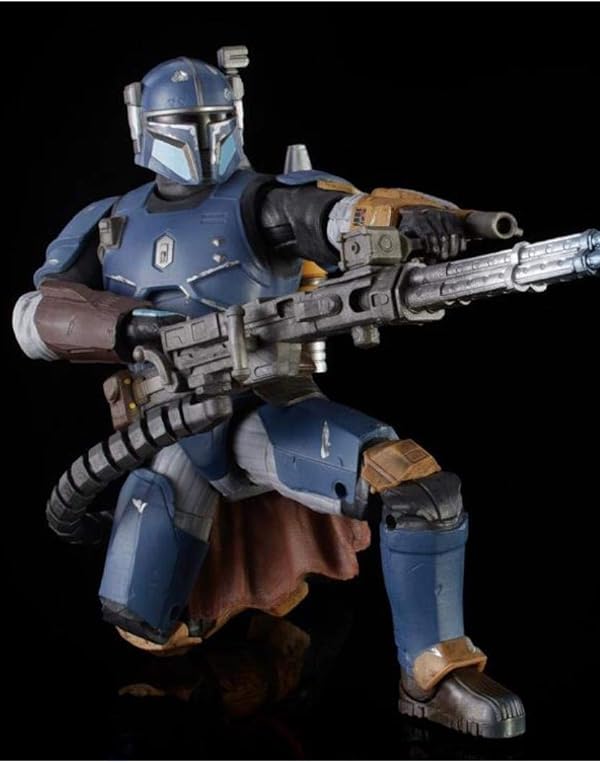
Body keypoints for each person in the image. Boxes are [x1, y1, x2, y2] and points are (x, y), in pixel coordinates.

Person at [12, 52, 525, 739]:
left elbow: (337, 216)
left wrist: (415, 223)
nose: (198, 137)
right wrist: (132, 328)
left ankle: (432, 679)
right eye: (181, 123)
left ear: (235, 116)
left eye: (212, 120)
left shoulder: (261, 200)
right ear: (142, 124)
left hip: (262, 410)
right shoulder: (109, 220)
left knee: (415, 487)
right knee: (144, 626)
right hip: (167, 429)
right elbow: (35, 317)